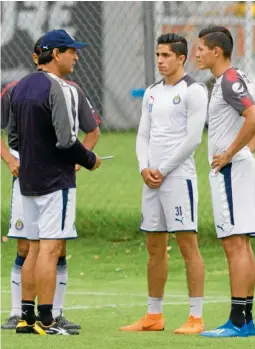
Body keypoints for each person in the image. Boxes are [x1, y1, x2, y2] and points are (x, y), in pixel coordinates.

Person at [1, 37, 101, 330]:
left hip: (27, 178)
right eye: (72, 52)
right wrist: (89, 159)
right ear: (56, 54)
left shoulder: (20, 87)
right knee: (50, 248)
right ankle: (47, 319)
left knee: (32, 247)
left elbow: (16, 138)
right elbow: (67, 140)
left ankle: (25, 317)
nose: (76, 58)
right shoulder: (62, 89)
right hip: (55, 179)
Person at [120, 33, 208, 334]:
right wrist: (144, 168)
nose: (160, 60)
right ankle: (153, 315)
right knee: (154, 247)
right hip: (151, 180)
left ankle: (196, 317)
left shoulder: (194, 91)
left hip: (178, 178)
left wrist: (164, 169)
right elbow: (143, 135)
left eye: (166, 55)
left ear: (181, 58)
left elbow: (193, 138)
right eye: (158, 55)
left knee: (187, 245)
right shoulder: (152, 92)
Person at [196, 25, 255, 338]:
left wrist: (231, 154)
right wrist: (247, 152)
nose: (196, 53)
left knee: (235, 245)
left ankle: (237, 321)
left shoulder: (230, 80)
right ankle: (245, 319)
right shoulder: (240, 78)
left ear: (216, 51)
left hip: (230, 170)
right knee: (242, 244)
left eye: (200, 48)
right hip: (240, 167)